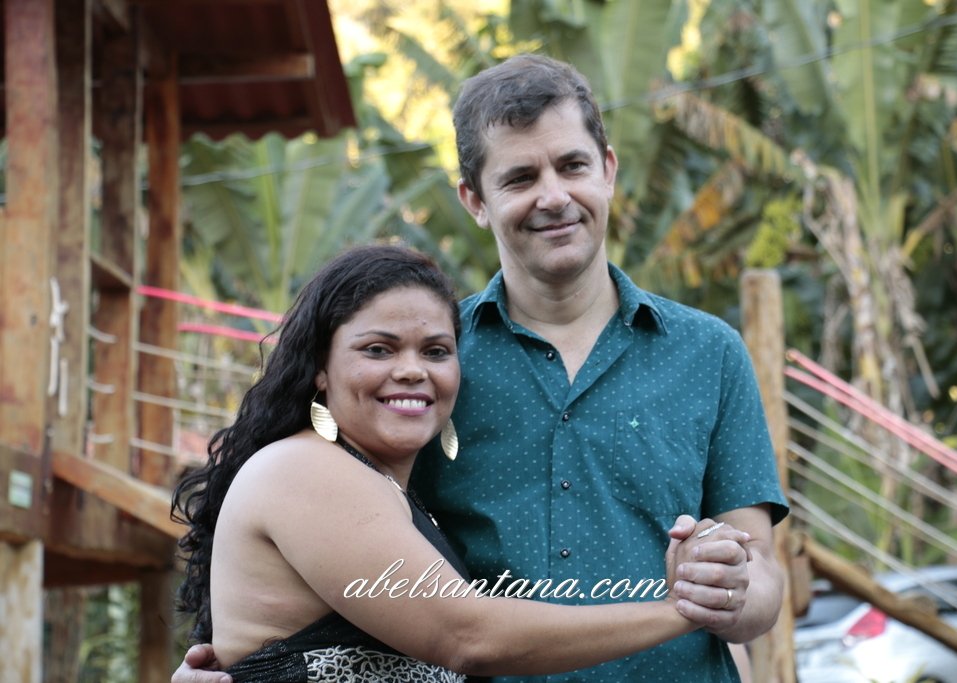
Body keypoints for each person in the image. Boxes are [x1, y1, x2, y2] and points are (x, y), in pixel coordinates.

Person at [174, 53, 788, 683]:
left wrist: (728, 587)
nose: (554, 196)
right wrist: (235, 660)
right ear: (474, 199)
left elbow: (763, 575)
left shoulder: (709, 352)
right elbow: (331, 544)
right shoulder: (433, 364)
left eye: (572, 166)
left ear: (607, 170)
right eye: (520, 177)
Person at [171, 244, 720, 682]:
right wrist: (678, 611)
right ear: (320, 367)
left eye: (435, 351)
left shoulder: (383, 488)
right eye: (378, 349)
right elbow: (467, 637)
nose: (413, 370)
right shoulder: (304, 469)